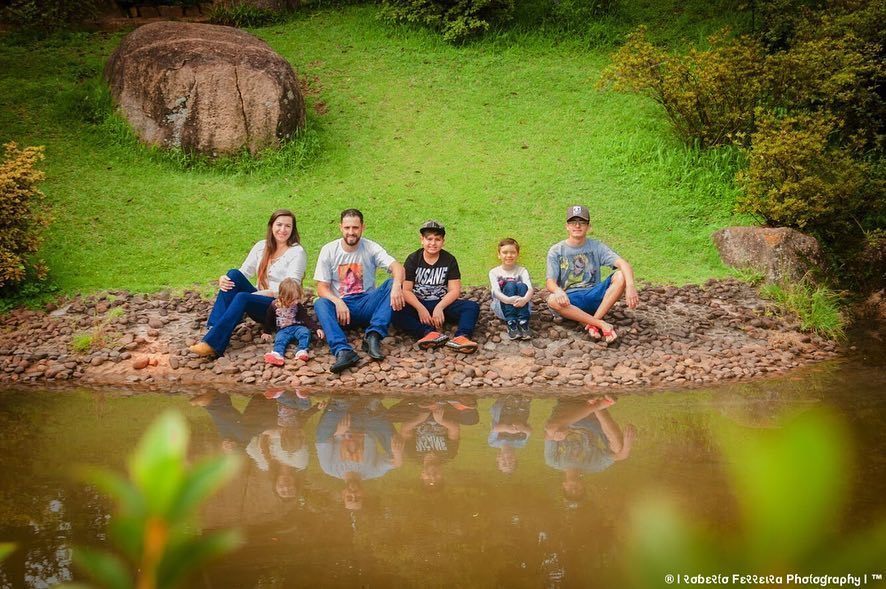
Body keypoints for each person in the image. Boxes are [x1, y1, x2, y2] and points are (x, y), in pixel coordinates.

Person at [190, 209, 306, 357]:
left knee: (242, 297)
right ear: (271, 226)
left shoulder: (297, 252)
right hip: (259, 298)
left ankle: (213, 344)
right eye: (279, 225)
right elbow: (244, 272)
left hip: (279, 307)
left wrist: (262, 293)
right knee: (233, 274)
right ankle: (213, 329)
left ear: (293, 229)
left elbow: (292, 289)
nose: (283, 230)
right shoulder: (261, 246)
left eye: (288, 226)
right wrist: (223, 279)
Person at [313, 209, 405, 373]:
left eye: (355, 228)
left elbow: (397, 267)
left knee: (392, 283)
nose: (351, 232)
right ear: (340, 227)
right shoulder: (329, 250)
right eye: (347, 228)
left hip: (366, 304)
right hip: (341, 309)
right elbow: (321, 288)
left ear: (362, 227)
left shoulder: (370, 247)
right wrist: (337, 301)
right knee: (320, 303)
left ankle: (373, 336)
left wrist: (397, 285)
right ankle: (343, 350)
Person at [545, 205, 639, 343]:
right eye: (573, 222)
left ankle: (591, 323)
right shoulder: (556, 251)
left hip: (594, 295)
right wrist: (558, 291)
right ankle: (599, 323)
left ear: (588, 227)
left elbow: (623, 264)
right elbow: (550, 282)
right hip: (570, 301)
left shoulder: (596, 246)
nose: (577, 226)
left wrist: (630, 286)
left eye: (582, 222)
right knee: (552, 299)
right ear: (567, 226)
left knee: (621, 275)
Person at [392, 220, 480, 352]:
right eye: (429, 239)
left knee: (471, 307)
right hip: (419, 302)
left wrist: (440, 307)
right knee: (396, 311)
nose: (433, 243)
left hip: (443, 303)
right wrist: (420, 308)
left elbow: (454, 290)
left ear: (443, 241)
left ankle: (462, 337)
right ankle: (428, 333)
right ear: (422, 240)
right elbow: (406, 290)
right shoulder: (413, 259)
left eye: (437, 239)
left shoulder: (449, 260)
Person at [544, 395, 636, 502]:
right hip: (591, 418)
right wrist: (628, 443)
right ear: (583, 485)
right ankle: (598, 406)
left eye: (569, 491)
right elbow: (621, 456)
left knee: (551, 428)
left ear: (563, 485)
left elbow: (547, 435)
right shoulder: (595, 466)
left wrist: (560, 434)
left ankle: (597, 405)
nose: (574, 489)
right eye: (579, 490)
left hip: (568, 415)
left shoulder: (553, 461)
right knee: (618, 449)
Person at [260, 278, 324, 366]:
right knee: (280, 339)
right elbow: (269, 319)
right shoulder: (274, 305)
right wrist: (266, 331)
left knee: (305, 333)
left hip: (297, 327)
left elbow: (306, 318)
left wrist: (317, 328)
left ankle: (302, 351)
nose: (296, 302)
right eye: (292, 300)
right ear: (282, 297)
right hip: (283, 329)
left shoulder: (297, 305)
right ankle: (277, 354)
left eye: (297, 298)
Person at [488, 238, 534, 340]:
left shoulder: (522, 270)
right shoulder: (494, 272)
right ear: (499, 255)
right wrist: (508, 300)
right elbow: (496, 291)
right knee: (510, 285)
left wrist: (524, 299)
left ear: (517, 254)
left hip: (522, 305)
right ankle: (511, 322)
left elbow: (530, 289)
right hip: (503, 308)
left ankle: (523, 322)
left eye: (513, 252)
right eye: (505, 252)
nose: (509, 255)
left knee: (522, 286)